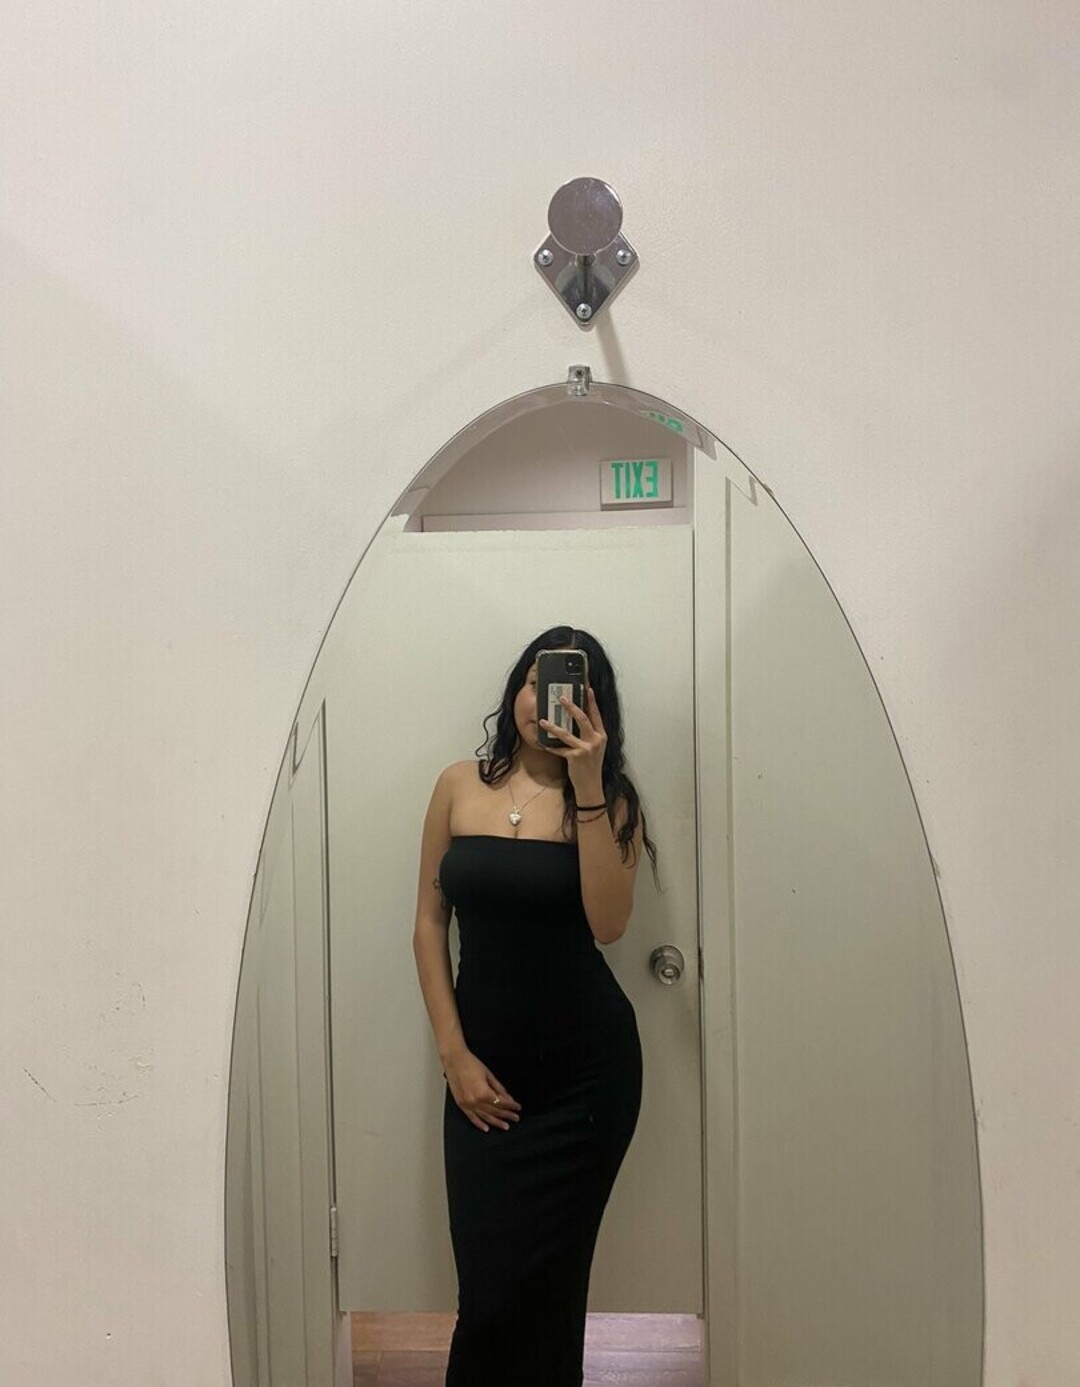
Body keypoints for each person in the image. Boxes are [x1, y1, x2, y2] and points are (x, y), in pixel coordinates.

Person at [411, 624, 659, 1387]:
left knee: (551, 1294)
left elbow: (609, 925)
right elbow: (428, 923)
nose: (538, 699)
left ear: (594, 708)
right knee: (487, 1298)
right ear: (515, 688)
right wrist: (453, 1054)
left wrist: (588, 786)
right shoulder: (458, 785)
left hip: (586, 1083)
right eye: (531, 679)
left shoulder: (611, 803)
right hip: (480, 1076)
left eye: (564, 688)